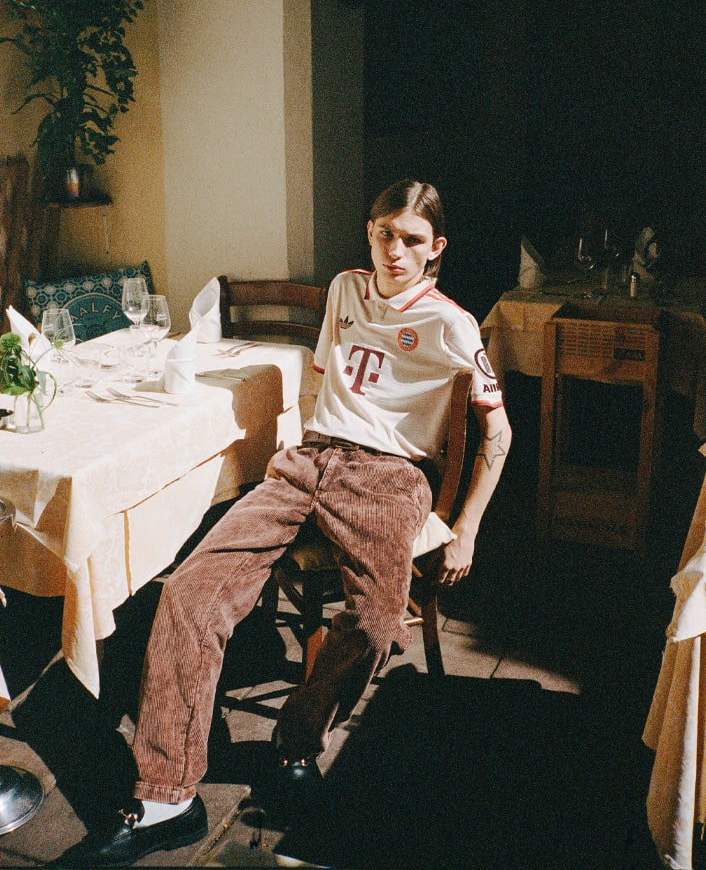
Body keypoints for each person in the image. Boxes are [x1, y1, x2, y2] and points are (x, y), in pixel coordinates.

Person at [54, 179, 511, 867]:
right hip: (308, 462)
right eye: (385, 233)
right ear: (370, 233)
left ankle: (297, 741)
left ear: (435, 247)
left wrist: (466, 528)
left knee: (377, 622)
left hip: (390, 477)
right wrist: (299, 457)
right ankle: (167, 801)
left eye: (412, 239)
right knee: (189, 594)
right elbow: (324, 382)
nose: (395, 250)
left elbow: (498, 433)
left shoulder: (453, 324)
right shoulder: (344, 290)